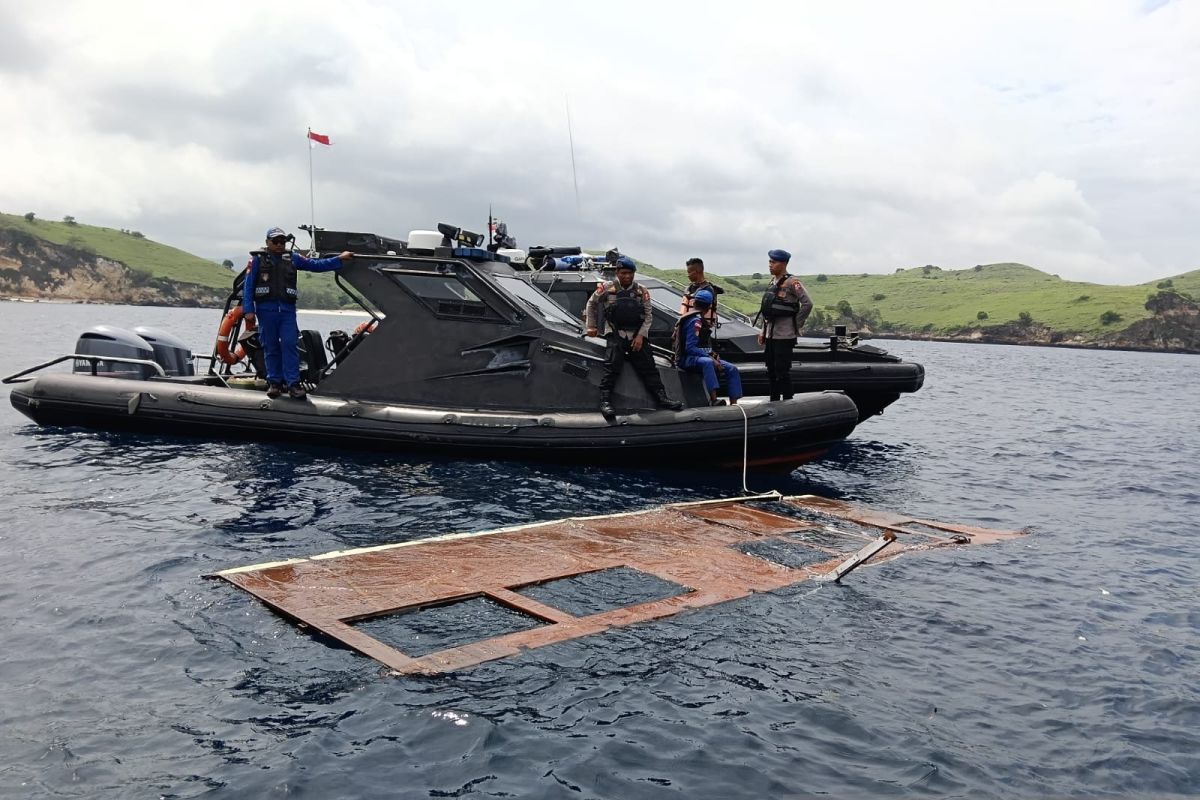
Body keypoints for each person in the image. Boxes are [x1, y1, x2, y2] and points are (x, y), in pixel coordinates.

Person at [243, 226, 354, 399]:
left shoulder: (293, 258)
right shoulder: (257, 260)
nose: (279, 244)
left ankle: (293, 384)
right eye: (275, 241)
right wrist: (248, 310)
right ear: (267, 242)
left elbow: (315, 265)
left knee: (289, 344)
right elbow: (248, 286)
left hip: (287, 311)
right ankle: (274, 383)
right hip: (266, 311)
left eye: (282, 241)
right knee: (270, 346)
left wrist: (338, 259)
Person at [585, 256, 684, 415]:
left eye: (630, 273)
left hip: (636, 334)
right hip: (615, 332)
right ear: (617, 273)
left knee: (649, 367)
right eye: (623, 273)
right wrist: (591, 326)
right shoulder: (607, 288)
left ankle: (662, 398)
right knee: (612, 366)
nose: (627, 276)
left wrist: (641, 336)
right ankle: (605, 401)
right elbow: (591, 303)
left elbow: (648, 315)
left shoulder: (641, 291)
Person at [756, 248, 813, 401]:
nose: (770, 265)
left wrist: (796, 323)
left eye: (773, 262)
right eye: (769, 261)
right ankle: (774, 399)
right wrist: (762, 332)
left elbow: (807, 304)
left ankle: (788, 400)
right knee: (771, 369)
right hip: (770, 334)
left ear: (783, 264)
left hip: (785, 335)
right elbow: (767, 310)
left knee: (782, 370)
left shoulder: (793, 282)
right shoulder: (772, 282)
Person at [676, 288, 742, 406]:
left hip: (700, 356)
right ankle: (714, 399)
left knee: (731, 369)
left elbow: (703, 345)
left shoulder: (700, 321)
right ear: (708, 308)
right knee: (707, 362)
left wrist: (713, 355)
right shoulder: (695, 321)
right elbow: (690, 348)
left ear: (694, 303)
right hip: (687, 358)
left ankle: (734, 403)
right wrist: (710, 358)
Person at [677, 257, 724, 324]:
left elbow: (702, 313)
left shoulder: (707, 290)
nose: (688, 275)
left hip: (700, 327)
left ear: (696, 272)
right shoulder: (689, 288)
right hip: (686, 324)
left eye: (689, 272)